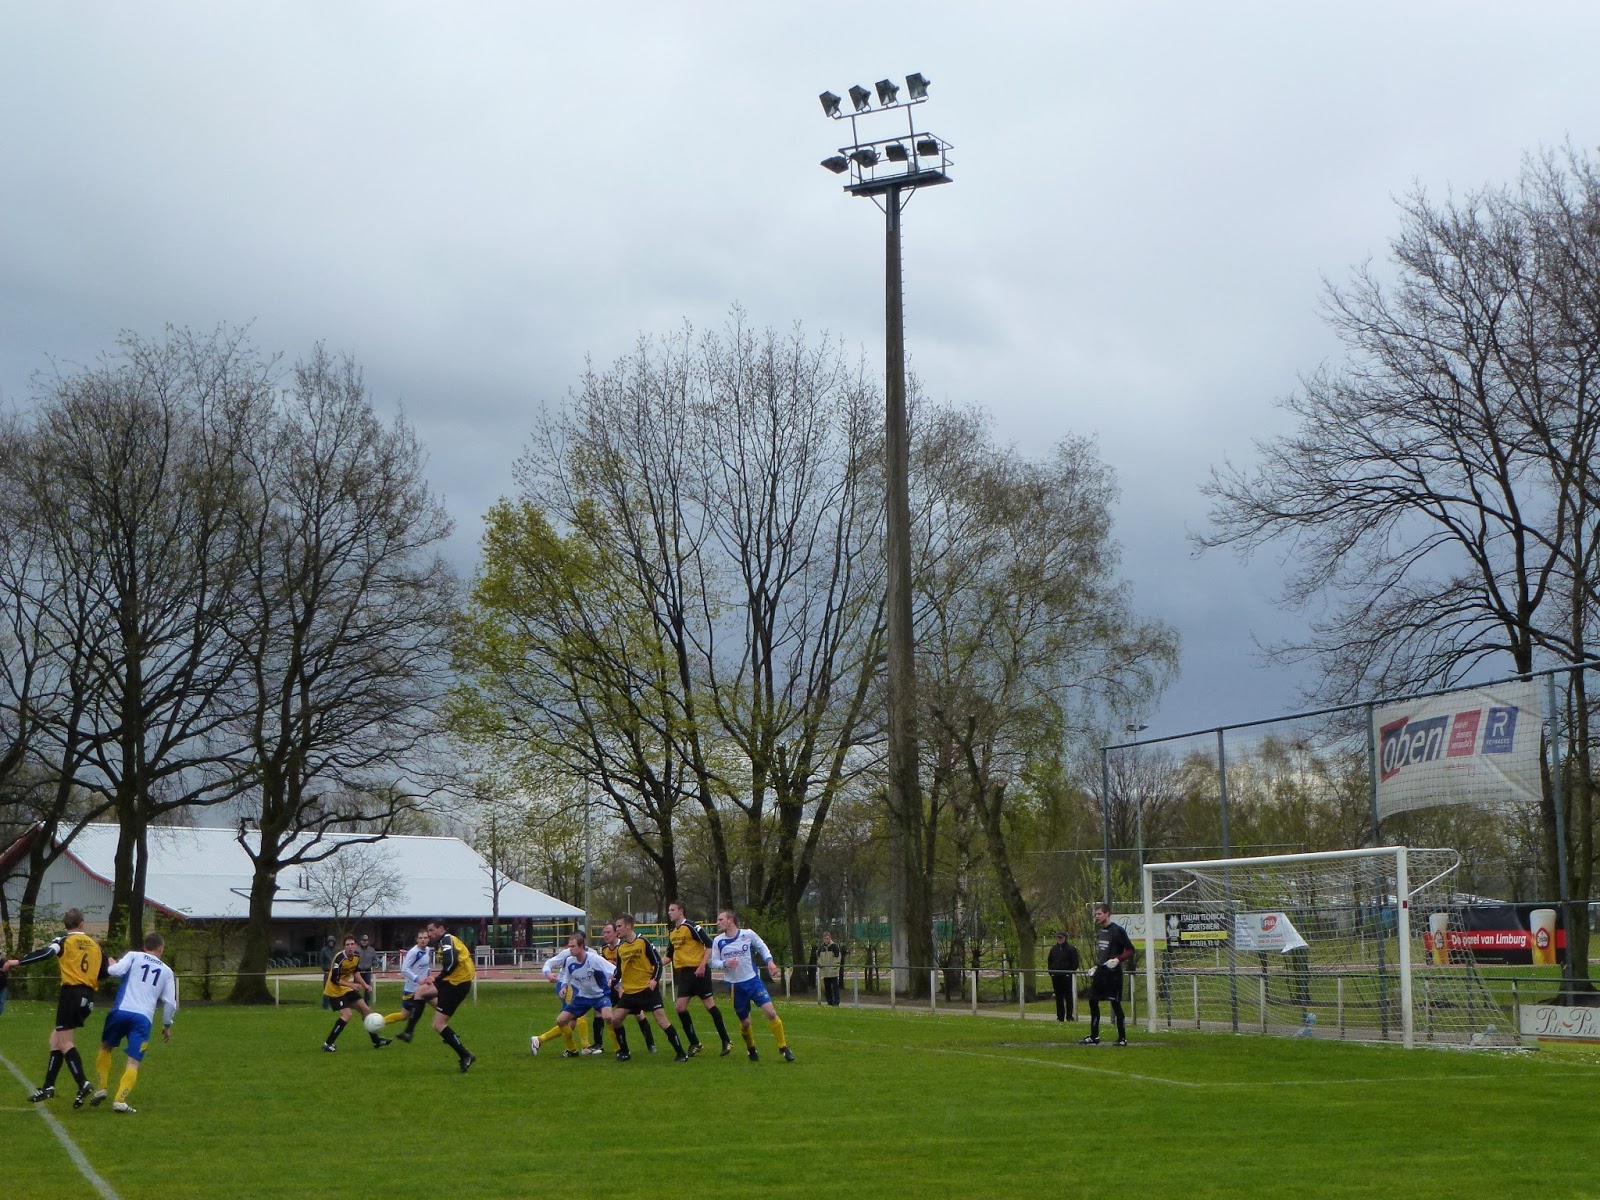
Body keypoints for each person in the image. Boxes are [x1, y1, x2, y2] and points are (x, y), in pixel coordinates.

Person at [2, 907, 107, 1105]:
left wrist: (16, 962)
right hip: (89, 997)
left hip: (71, 994)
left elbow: (47, 953)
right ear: (82, 924)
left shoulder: (64, 941)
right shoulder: (95, 946)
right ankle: (48, 1086)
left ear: (65, 925)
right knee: (56, 1040)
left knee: (65, 1042)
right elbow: (105, 971)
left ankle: (83, 1082)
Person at [91, 931, 178, 1114]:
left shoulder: (133, 956)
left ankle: (102, 1088)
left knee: (106, 1047)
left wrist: (112, 963)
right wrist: (167, 1024)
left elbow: (113, 972)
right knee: (133, 1061)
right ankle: (120, 1100)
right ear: (160, 949)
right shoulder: (167, 971)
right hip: (143, 1018)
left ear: (145, 946)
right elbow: (170, 1002)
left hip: (121, 1010)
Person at [708, 909, 793, 1063]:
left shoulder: (747, 934)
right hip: (735, 986)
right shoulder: (718, 941)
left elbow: (761, 946)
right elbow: (713, 962)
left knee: (771, 1013)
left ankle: (783, 1047)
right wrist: (726, 963)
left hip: (752, 981)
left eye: (721, 919)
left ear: (730, 920)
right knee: (746, 1022)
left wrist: (769, 961)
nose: (718, 923)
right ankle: (751, 1048)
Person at [397, 920, 476, 1072]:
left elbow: (451, 963)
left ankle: (466, 1055)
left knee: (438, 1024)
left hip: (458, 984)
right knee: (420, 992)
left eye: (431, 930)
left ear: (441, 929)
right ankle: (408, 1031)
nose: (430, 934)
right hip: (451, 981)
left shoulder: (447, 940)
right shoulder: (443, 941)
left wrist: (436, 978)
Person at [529, 932, 618, 1058]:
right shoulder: (568, 956)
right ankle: (582, 1047)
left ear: (582, 944)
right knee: (568, 1020)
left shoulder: (592, 955)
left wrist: (615, 982)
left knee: (573, 1023)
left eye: (572, 946)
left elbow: (610, 970)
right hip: (575, 989)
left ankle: (541, 1040)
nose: (569, 949)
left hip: (593, 992)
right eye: (569, 946)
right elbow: (555, 966)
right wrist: (551, 975)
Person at [613, 914, 688, 1062]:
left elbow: (658, 963)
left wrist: (654, 979)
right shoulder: (620, 947)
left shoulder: (643, 941)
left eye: (619, 926)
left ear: (629, 926)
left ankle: (681, 1053)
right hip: (629, 992)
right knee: (615, 1020)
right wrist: (613, 979)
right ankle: (625, 1052)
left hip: (647, 990)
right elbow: (620, 971)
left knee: (662, 1021)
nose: (617, 929)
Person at [665, 901, 732, 1056]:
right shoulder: (673, 932)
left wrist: (702, 965)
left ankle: (726, 1040)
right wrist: (653, 966)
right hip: (684, 974)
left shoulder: (691, 926)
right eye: (669, 910)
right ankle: (695, 1043)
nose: (669, 912)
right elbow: (669, 956)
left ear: (681, 911)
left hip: (698, 972)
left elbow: (708, 944)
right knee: (680, 1008)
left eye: (672, 909)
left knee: (709, 1005)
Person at [321, 935, 392, 1053]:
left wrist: (365, 985)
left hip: (345, 989)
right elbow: (335, 979)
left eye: (352, 944)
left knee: (366, 1010)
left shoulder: (356, 956)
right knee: (347, 1015)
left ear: (356, 945)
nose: (350, 947)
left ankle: (376, 1041)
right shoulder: (339, 958)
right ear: (344, 947)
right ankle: (328, 1043)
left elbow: (355, 971)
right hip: (334, 991)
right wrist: (352, 985)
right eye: (347, 945)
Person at [1082, 903, 1133, 1046]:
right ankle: (1094, 1036)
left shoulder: (1118, 931)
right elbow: (1103, 954)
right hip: (1101, 972)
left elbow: (1130, 949)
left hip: (1114, 974)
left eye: (1099, 914)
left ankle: (1122, 1038)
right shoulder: (1101, 932)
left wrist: (1118, 959)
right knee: (1093, 1001)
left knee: (1115, 1004)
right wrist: (1096, 966)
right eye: (1096, 914)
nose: (1096, 917)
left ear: (1107, 914)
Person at [383, 927, 432, 1027]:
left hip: (424, 988)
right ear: (417, 939)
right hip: (412, 990)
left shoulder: (427, 950)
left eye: (425, 937)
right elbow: (404, 969)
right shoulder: (413, 952)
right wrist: (418, 979)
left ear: (428, 939)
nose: (423, 940)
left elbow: (425, 967)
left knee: (441, 1006)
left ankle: (444, 1029)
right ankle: (380, 1022)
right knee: (404, 1015)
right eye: (421, 938)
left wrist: (428, 975)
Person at [1047, 931, 1080, 1022]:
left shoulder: (1071, 949)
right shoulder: (1053, 949)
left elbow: (1075, 962)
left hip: (1067, 977)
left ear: (1065, 938)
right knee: (1059, 997)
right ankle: (1060, 1016)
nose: (1059, 939)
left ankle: (1069, 1016)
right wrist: (1052, 972)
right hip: (1056, 976)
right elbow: (1050, 961)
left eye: (1061, 938)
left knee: (1068, 996)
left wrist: (1069, 973)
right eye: (1058, 938)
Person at [814, 931, 844, 1007]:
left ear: (830, 938)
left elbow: (837, 958)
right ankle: (829, 1002)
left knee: (835, 987)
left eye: (827, 938)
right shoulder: (821, 948)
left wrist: (833, 967)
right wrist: (820, 964)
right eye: (824, 938)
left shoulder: (834, 946)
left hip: (833, 971)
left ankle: (836, 1002)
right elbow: (819, 958)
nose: (826, 940)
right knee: (827, 987)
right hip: (825, 971)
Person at [318, 934, 338, 1009]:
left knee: (336, 989)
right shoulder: (324, 950)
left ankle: (336, 1005)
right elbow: (321, 961)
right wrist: (325, 968)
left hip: (335, 971)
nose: (331, 943)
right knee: (326, 989)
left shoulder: (337, 950)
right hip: (327, 972)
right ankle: (325, 1006)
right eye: (330, 941)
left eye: (332, 941)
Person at [356, 933, 376, 1003]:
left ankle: (366, 1002)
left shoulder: (371, 950)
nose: (364, 942)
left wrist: (373, 963)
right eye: (363, 940)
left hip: (367, 971)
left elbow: (374, 959)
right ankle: (355, 1001)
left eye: (366, 940)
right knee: (356, 987)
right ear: (360, 941)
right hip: (358, 971)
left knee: (367, 987)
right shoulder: (356, 950)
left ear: (368, 941)